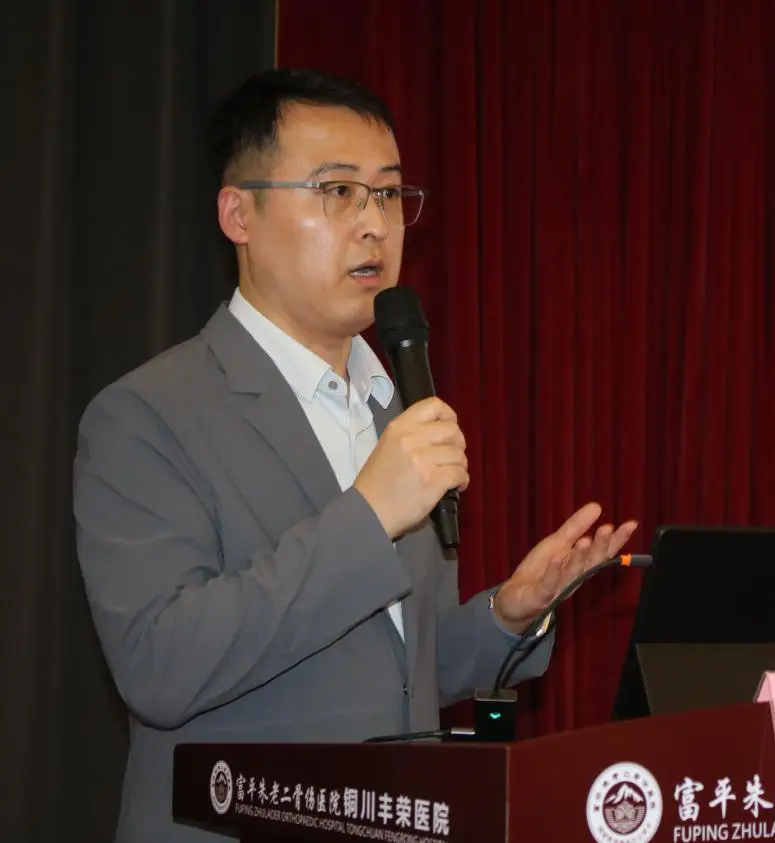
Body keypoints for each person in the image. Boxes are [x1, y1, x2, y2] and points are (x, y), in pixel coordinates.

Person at [72, 67, 637, 843]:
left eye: (390, 194)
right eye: (338, 191)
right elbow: (159, 667)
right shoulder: (145, 415)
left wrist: (508, 614)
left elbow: (399, 670)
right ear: (238, 213)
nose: (375, 223)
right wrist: (369, 515)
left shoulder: (394, 406)